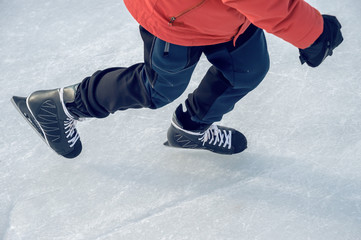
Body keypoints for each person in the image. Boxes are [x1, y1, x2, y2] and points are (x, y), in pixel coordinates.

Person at [16, 0, 343, 158]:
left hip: (226, 16)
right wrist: (315, 35)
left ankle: (191, 127)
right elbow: (272, 6)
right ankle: (61, 106)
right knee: (157, 88)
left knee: (248, 69)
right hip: (176, 20)